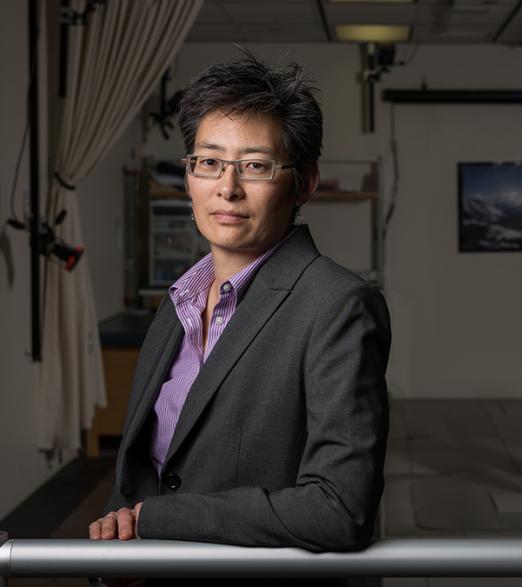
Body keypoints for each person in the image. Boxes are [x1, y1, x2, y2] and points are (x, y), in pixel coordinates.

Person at [88, 53, 391, 580]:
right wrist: (117, 545)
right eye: (208, 162)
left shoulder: (337, 305)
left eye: (255, 165)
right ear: (189, 176)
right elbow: (141, 474)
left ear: (304, 183)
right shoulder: (178, 300)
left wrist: (160, 522)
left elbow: (340, 508)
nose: (227, 188)